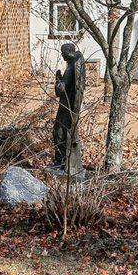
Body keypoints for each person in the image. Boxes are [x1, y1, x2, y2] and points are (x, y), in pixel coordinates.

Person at [51, 41, 83, 175]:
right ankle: (63, 161)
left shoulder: (70, 70)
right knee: (61, 133)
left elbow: (60, 91)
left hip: (66, 106)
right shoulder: (74, 64)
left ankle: (62, 162)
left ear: (68, 54)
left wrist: (58, 79)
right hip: (68, 105)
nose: (62, 56)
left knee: (58, 132)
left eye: (63, 54)